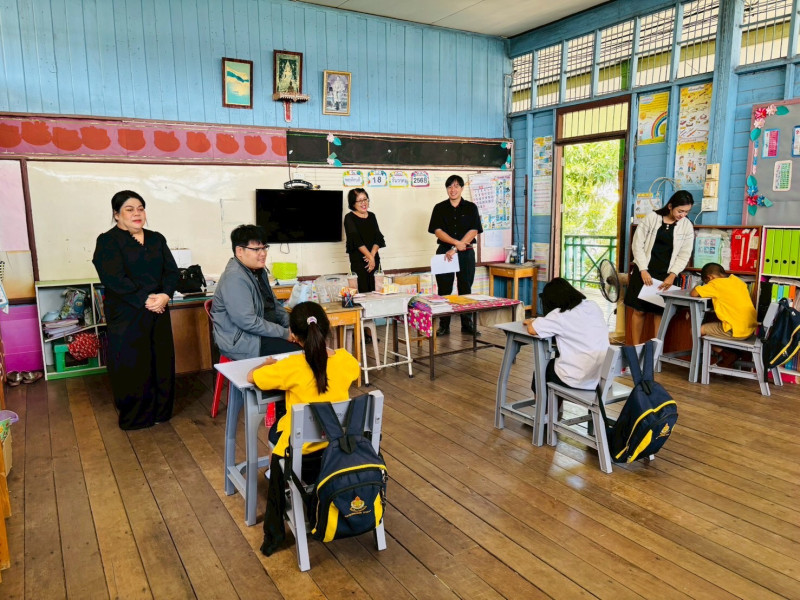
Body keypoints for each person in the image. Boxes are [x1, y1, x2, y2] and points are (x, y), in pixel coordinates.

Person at [246, 302, 361, 557]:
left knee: (277, 432)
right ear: (326, 329)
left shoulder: (291, 366)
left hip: (302, 460)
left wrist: (266, 363)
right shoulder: (345, 360)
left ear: (294, 336)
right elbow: (349, 370)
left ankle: (278, 487)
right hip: (338, 452)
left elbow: (251, 378)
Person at [92, 190, 179, 430]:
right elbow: (114, 278)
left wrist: (165, 295)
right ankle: (136, 417)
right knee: (132, 363)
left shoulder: (156, 239)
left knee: (161, 361)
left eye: (140, 208)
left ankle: (162, 412)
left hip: (158, 309)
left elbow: (171, 272)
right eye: (129, 209)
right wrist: (146, 299)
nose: (137, 213)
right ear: (116, 214)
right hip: (127, 313)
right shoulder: (108, 241)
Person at [211, 224, 299, 359]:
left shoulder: (259, 271)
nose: (263, 253)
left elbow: (274, 305)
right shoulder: (234, 277)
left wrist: (292, 327)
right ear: (239, 251)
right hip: (243, 342)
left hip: (260, 334)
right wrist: (284, 333)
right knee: (298, 353)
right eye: (257, 249)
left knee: (308, 342)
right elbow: (247, 321)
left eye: (264, 247)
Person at [624, 190, 695, 344]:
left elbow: (684, 254)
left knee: (660, 313)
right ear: (670, 206)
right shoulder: (652, 218)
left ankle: (655, 352)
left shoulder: (687, 226)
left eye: (686, 212)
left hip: (666, 275)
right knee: (639, 311)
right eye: (680, 211)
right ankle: (636, 348)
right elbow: (637, 245)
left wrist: (673, 275)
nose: (683, 215)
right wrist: (643, 269)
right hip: (644, 271)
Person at [523, 278, 610, 391]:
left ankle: (543, 403)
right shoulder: (593, 306)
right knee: (557, 364)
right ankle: (553, 402)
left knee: (541, 371)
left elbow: (532, 329)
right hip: (601, 378)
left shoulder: (559, 315)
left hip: (577, 378)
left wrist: (531, 321)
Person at [428, 174, 483, 336]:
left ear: (462, 188)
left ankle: (467, 324)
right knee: (444, 290)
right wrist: (455, 244)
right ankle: (444, 325)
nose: (453, 189)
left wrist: (457, 248)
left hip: (466, 253)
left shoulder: (471, 207)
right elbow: (437, 231)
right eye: (450, 186)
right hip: (444, 252)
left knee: (465, 288)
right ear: (447, 189)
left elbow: (474, 230)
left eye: (456, 186)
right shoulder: (439, 208)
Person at [690, 262, 757, 367]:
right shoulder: (737, 281)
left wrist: (699, 285)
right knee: (713, 323)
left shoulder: (715, 284)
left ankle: (727, 355)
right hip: (749, 329)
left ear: (710, 277)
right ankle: (735, 353)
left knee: (696, 330)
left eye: (706, 282)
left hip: (735, 331)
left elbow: (693, 293)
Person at [343, 188, 386, 293]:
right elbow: (356, 240)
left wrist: (372, 255)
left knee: (377, 290)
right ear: (353, 203)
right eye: (359, 200)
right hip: (359, 261)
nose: (363, 203)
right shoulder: (349, 218)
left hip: (374, 260)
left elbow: (378, 237)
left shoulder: (372, 216)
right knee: (361, 292)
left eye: (365, 199)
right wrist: (369, 257)